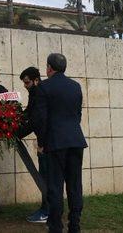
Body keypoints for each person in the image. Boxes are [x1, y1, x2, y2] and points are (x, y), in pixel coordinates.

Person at [33, 53, 88, 233]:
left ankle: (56, 226)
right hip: (76, 140)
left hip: (56, 142)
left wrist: (42, 142)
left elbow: (42, 119)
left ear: (49, 67)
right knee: (75, 185)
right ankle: (75, 225)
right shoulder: (75, 86)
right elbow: (77, 114)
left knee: (55, 187)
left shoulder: (44, 87)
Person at [18, 66, 49, 224]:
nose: (25, 85)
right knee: (46, 177)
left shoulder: (40, 93)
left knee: (46, 177)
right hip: (47, 140)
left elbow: (38, 120)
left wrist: (17, 133)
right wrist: (14, 119)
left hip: (47, 143)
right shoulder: (35, 92)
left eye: (27, 82)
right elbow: (29, 112)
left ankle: (46, 211)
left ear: (36, 80)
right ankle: (48, 209)